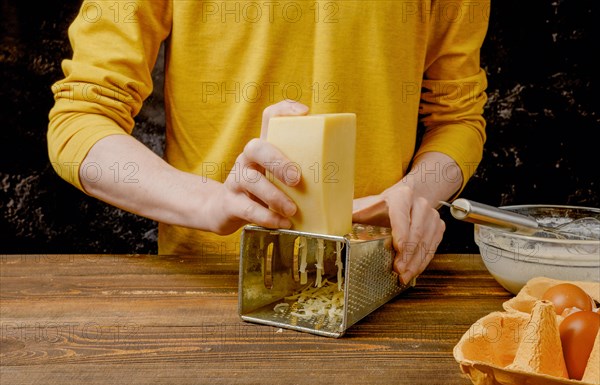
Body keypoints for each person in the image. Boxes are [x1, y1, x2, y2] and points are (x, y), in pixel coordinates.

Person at [47, 0, 489, 284]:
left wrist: (415, 193)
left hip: (375, 278)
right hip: (214, 285)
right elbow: (81, 120)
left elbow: (459, 118)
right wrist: (212, 203)